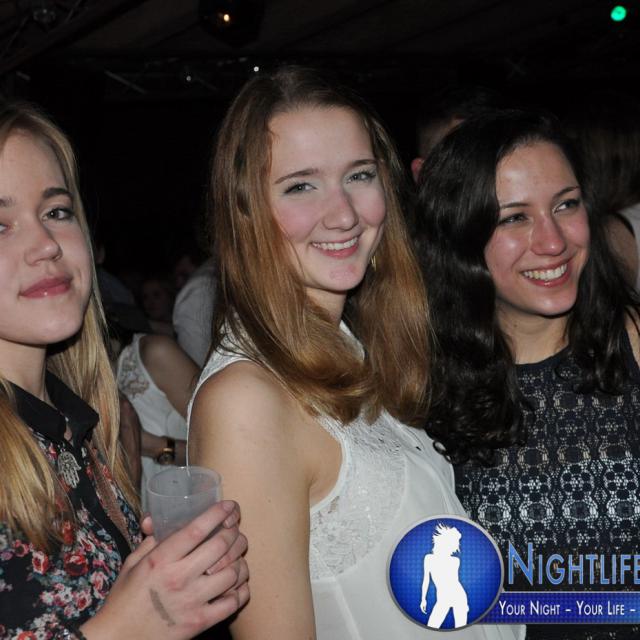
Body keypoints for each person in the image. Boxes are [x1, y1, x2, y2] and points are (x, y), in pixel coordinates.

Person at [188, 66, 523, 640]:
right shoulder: (247, 400)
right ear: (245, 210)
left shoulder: (351, 350)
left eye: (359, 175)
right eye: (300, 186)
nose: (343, 214)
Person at [0, 101, 249, 638]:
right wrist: (127, 626)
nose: (46, 245)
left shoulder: (85, 424)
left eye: (56, 211)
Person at [417, 109, 640, 640]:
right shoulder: (415, 384)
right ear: (460, 234)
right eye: (514, 218)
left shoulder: (633, 341)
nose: (553, 241)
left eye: (566, 204)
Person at [116, 327, 197, 509]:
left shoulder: (155, 354)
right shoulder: (78, 392)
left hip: (192, 507)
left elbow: (227, 448)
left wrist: (154, 446)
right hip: (146, 516)